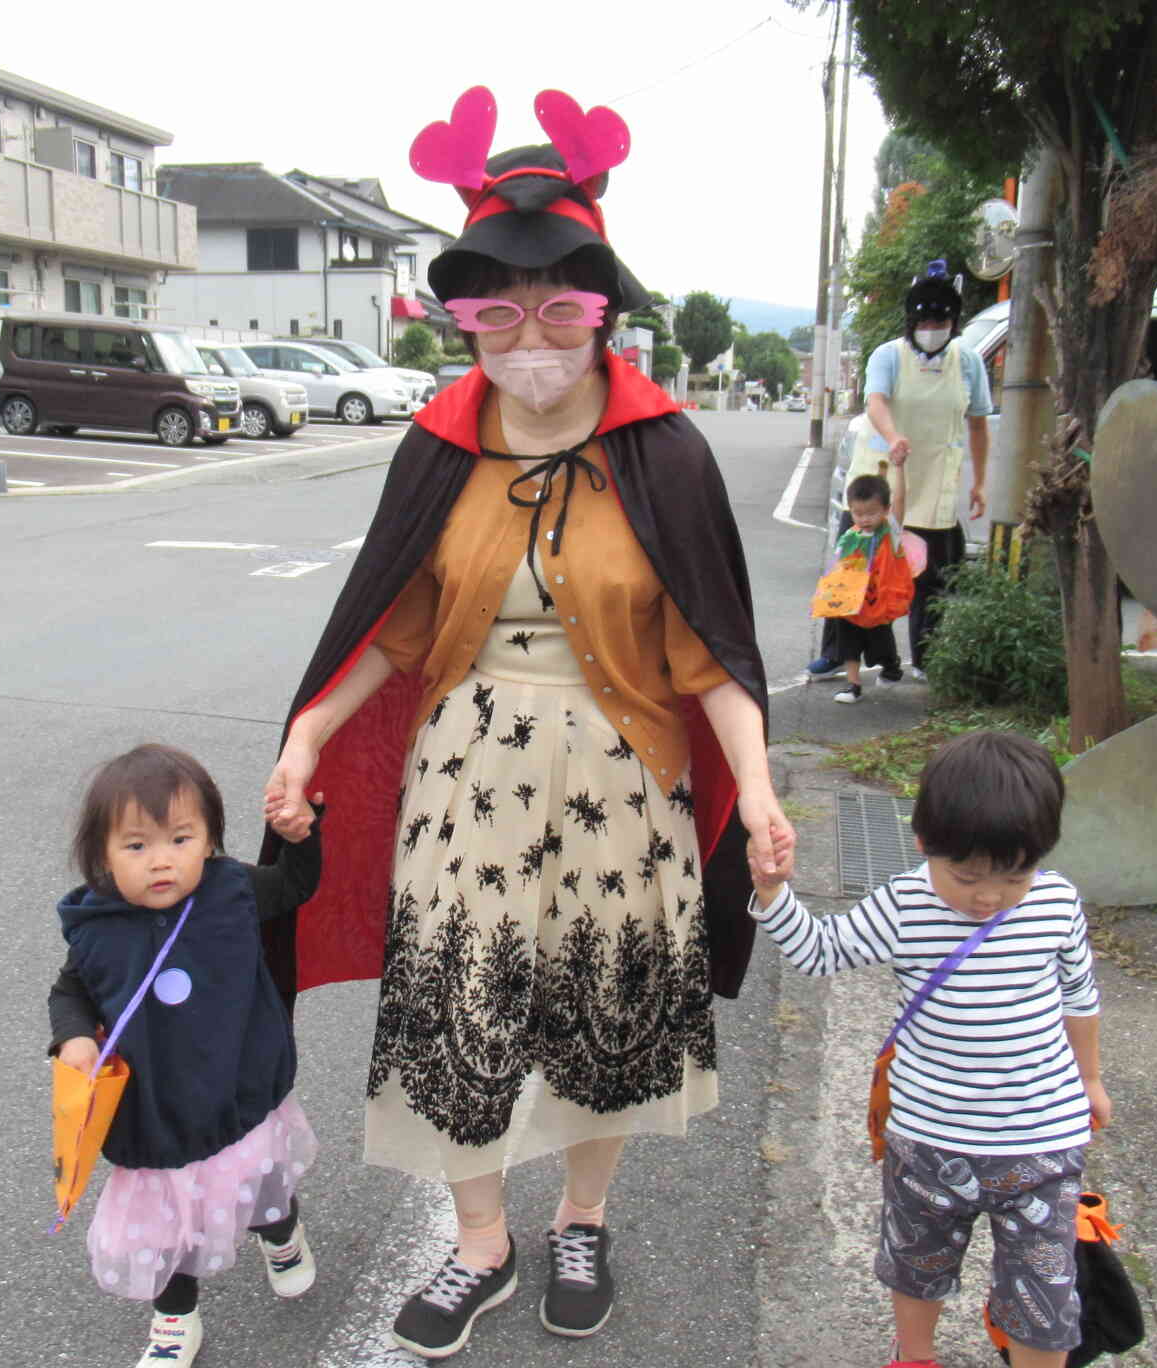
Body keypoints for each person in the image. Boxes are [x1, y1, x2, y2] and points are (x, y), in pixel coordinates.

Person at [260, 86, 796, 1359]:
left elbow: (709, 651)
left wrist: (760, 794)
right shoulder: (438, 447)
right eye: (495, 309)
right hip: (466, 772)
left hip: (625, 769)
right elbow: (390, 627)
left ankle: (583, 1220)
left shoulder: (665, 453)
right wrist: (309, 734)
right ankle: (481, 1243)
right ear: (465, 321)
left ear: (601, 309)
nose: (529, 335)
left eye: (560, 305)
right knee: (456, 1002)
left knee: (602, 1007)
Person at [747, 731, 1109, 1368]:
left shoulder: (1057, 902)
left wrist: (1092, 1080)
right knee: (918, 1265)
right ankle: (914, 1356)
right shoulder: (907, 904)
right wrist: (775, 893)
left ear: (1041, 856)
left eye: (1014, 875)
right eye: (965, 876)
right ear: (923, 843)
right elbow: (820, 951)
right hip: (929, 1139)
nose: (988, 896)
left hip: (1041, 1141)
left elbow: (1079, 995)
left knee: (1044, 1296)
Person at [48, 742, 324, 1365]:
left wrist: (301, 834)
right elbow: (71, 989)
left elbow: (296, 885)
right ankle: (176, 1321)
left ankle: (282, 1236)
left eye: (181, 838)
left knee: (261, 1187)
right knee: (166, 1227)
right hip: (156, 1112)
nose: (162, 861)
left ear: (209, 841)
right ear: (102, 856)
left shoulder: (232, 890)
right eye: (136, 846)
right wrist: (73, 1038)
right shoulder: (98, 926)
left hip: (238, 1088)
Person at [812, 261, 991, 681]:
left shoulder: (968, 363)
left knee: (929, 576)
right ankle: (839, 652)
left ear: (953, 321)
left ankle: (927, 656)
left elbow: (979, 421)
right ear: (911, 321)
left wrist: (980, 482)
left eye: (941, 319)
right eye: (925, 319)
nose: (932, 327)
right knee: (854, 570)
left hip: (934, 482)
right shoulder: (887, 356)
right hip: (878, 480)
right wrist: (893, 437)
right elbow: (876, 401)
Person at [822, 472, 907, 705]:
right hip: (850, 602)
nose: (865, 519)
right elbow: (837, 567)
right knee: (848, 642)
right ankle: (854, 684)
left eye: (872, 513)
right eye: (858, 513)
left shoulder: (890, 534)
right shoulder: (850, 536)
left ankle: (891, 666)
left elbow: (900, 501)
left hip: (877, 602)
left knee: (881, 642)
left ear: (886, 509)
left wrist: (900, 469)